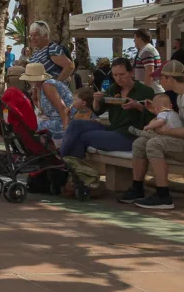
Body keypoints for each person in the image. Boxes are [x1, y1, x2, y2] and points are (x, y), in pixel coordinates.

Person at [118, 61, 184, 210]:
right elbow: (178, 123)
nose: (159, 81)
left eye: (161, 78)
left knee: (155, 144)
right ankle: (137, 188)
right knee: (140, 142)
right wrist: (156, 112)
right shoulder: (181, 97)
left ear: (171, 79)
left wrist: (165, 132)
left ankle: (163, 196)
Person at [61, 58, 153, 195]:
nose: (118, 78)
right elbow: (98, 110)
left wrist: (137, 106)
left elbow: (152, 116)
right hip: (113, 129)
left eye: (122, 74)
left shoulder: (145, 91)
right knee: (75, 125)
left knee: (83, 137)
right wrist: (97, 101)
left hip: (130, 135)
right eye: (115, 75)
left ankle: (69, 172)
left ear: (131, 72)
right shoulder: (112, 89)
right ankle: (74, 174)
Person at [21, 62, 73, 141]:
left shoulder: (47, 85)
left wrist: (66, 129)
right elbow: (36, 102)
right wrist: (34, 90)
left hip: (66, 121)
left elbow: (62, 107)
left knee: (30, 128)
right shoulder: (40, 86)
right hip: (58, 119)